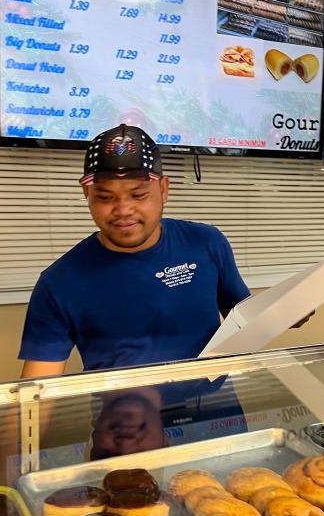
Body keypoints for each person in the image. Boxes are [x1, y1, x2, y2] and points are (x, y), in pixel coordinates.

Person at [19, 123, 261, 378]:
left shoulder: (206, 243)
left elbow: (243, 319)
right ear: (87, 194)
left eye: (138, 195)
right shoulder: (59, 282)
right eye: (105, 197)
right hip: (122, 415)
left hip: (218, 412)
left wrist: (284, 310)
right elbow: (37, 389)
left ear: (164, 190)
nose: (123, 210)